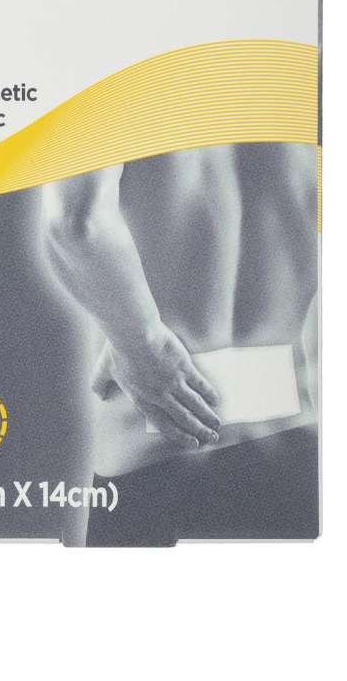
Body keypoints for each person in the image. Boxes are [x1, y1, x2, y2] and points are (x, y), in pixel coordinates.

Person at [42, 143, 319, 546]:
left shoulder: (113, 97)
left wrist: (139, 340)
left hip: (154, 448)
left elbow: (77, 223)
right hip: (294, 446)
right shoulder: (305, 104)